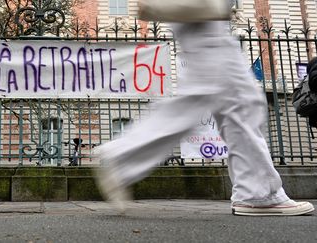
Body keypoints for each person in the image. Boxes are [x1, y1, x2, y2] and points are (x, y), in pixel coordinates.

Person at [96, 20, 315, 216]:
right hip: (203, 15)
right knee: (234, 98)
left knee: (231, 100)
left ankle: (256, 191)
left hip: (203, 17)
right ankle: (258, 193)